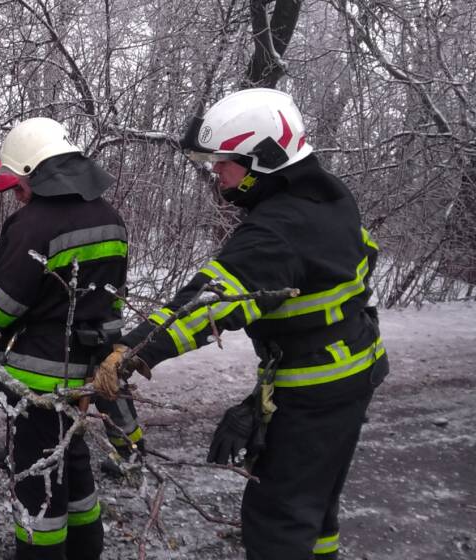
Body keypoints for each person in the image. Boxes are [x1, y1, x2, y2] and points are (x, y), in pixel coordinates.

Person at [93, 88, 386, 560]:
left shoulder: (277, 229)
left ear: (264, 159)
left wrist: (132, 351)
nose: (216, 173)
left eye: (224, 162)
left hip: (314, 389)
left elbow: (207, 304)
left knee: (278, 518)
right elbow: (360, 259)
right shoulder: (328, 194)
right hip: (351, 368)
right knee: (317, 504)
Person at [0, 117, 144, 560]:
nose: (17, 195)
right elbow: (112, 303)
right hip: (91, 378)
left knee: (38, 486)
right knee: (74, 467)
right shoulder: (111, 218)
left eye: (18, 185)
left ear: (34, 169)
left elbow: (0, 301)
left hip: (40, 383)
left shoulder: (34, 224)